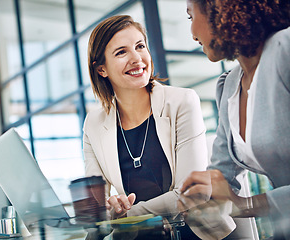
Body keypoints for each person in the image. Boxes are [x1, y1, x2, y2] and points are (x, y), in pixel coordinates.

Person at [83, 14, 232, 239]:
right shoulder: (93, 125)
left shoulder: (183, 101)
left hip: (195, 233)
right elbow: (97, 205)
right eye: (121, 52)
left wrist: (129, 215)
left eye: (140, 46)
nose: (137, 58)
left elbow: (193, 194)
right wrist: (110, 208)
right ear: (101, 69)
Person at [180, 0, 290, 239]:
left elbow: (236, 201)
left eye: (191, 17)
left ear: (218, 9)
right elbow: (221, 177)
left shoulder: (286, 49)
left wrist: (244, 204)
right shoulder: (229, 85)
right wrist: (201, 197)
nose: (192, 33)